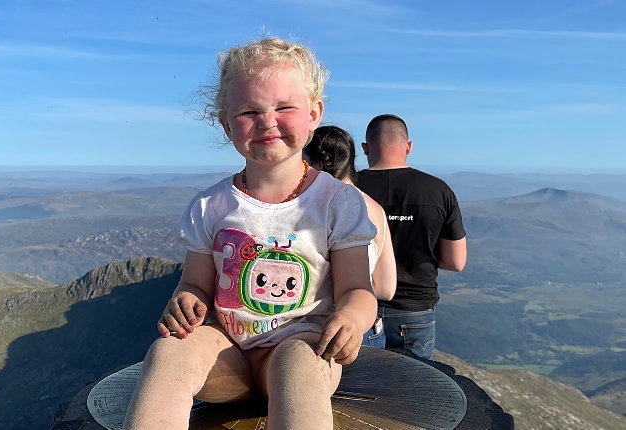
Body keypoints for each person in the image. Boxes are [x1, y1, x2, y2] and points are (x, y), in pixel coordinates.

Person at [123, 38, 378, 430]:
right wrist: (185, 301)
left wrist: (351, 319)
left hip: (304, 345)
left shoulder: (338, 203)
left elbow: (358, 289)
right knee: (167, 354)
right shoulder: (211, 207)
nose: (267, 120)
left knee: (300, 364)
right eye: (248, 111)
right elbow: (194, 284)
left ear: (314, 114)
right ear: (227, 125)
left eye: (284, 107)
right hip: (229, 357)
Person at [357, 114, 467, 360]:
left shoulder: (348, 188)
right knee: (412, 392)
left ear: (365, 148)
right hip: (414, 311)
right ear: (408, 147)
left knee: (359, 391)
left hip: (359, 305)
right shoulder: (438, 191)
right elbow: (455, 262)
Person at [303, 125, 396, 348]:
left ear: (318, 164)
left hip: (316, 330)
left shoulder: (308, 211)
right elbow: (386, 288)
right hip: (366, 330)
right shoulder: (375, 209)